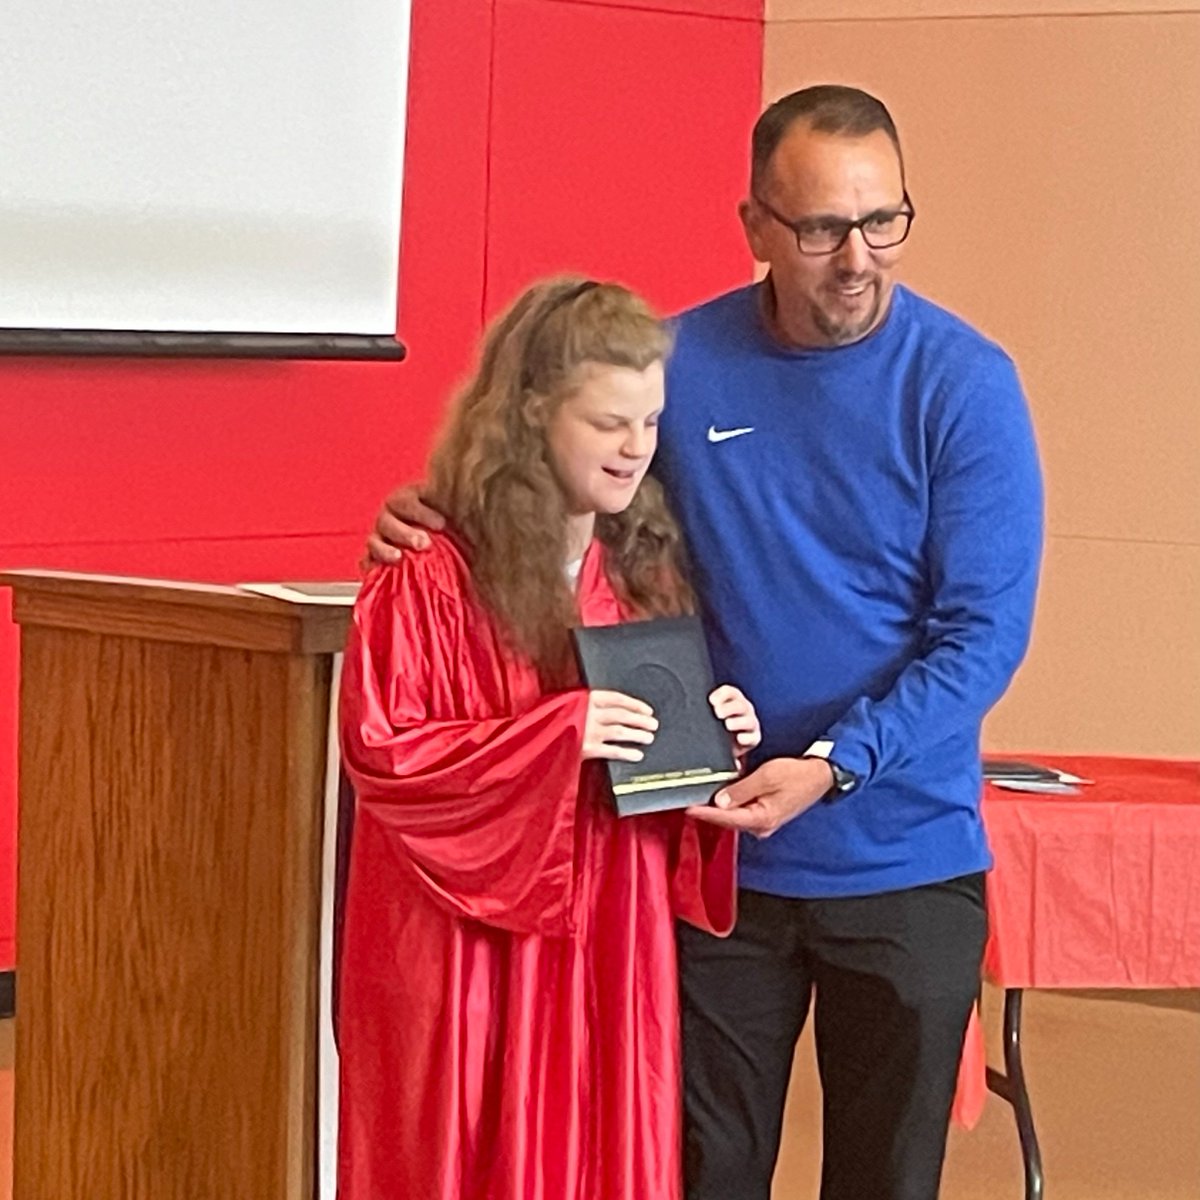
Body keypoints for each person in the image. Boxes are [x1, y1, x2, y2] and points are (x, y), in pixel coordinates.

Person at [368, 86, 1044, 1200]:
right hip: (708, 855)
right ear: (755, 228)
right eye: (823, 227)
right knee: (702, 1173)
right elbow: (552, 480)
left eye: (884, 221)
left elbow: (979, 640)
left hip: (905, 857)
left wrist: (833, 766)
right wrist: (426, 509)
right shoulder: (679, 365)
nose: (856, 258)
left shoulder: (965, 386)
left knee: (885, 1179)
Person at [337, 277, 760, 1200]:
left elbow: (654, 795)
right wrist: (556, 736)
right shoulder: (428, 577)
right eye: (609, 422)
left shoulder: (640, 573)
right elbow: (387, 756)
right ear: (532, 414)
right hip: (468, 962)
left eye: (649, 421)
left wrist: (710, 747)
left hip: (609, 943)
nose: (637, 448)